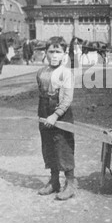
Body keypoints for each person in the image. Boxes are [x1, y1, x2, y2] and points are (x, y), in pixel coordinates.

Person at [36, 37, 76, 201]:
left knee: (63, 145)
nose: (54, 55)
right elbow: (41, 92)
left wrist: (55, 115)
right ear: (45, 53)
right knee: (48, 145)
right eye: (51, 51)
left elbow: (67, 98)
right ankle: (54, 181)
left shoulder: (66, 72)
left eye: (58, 51)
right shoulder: (41, 72)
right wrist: (45, 114)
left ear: (64, 54)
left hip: (61, 111)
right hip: (44, 108)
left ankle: (71, 183)